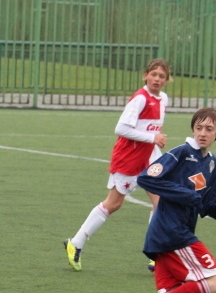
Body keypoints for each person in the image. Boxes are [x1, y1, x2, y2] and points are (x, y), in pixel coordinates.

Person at [108, 108, 216, 293]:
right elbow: (147, 178)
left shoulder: (211, 164)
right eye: (199, 127)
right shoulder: (180, 153)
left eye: (209, 129)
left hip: (171, 236)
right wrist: (184, 195)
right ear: (193, 129)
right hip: (172, 233)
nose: (203, 133)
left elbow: (205, 200)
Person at [64, 59, 171, 272]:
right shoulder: (139, 100)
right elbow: (121, 128)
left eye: (161, 76)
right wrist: (152, 138)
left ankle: (155, 253)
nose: (157, 79)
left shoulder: (164, 99)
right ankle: (75, 243)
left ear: (167, 80)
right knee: (113, 204)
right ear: (145, 76)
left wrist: (153, 142)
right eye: (153, 74)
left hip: (149, 158)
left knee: (162, 201)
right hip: (129, 158)